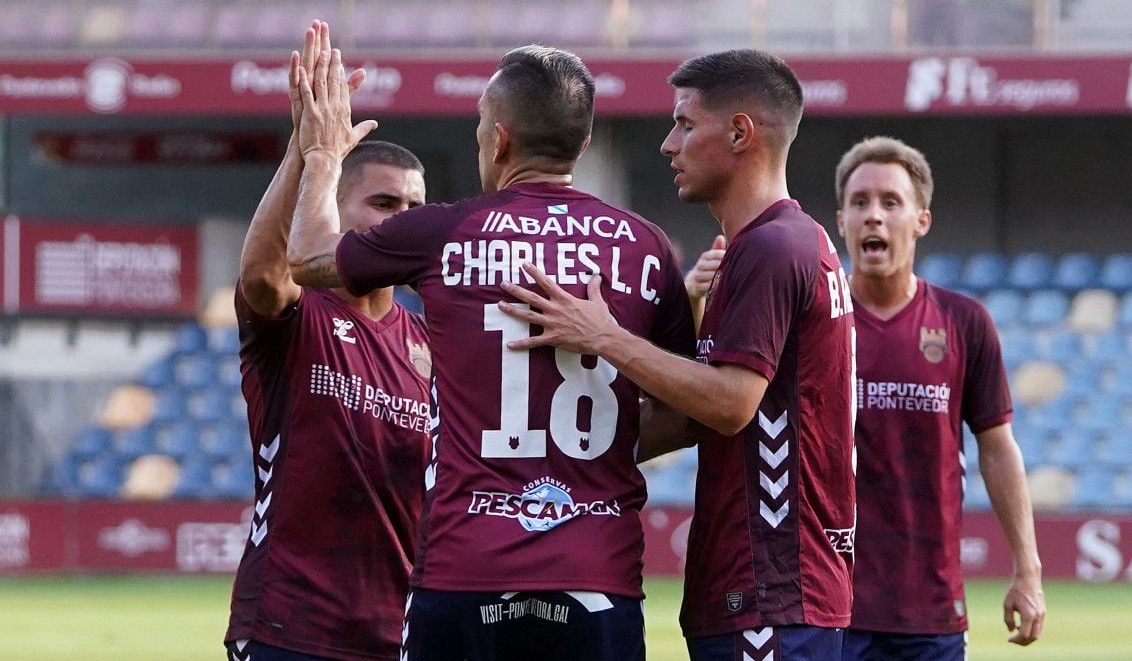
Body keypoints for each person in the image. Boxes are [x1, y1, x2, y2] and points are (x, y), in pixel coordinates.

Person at [286, 36, 694, 661]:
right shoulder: (647, 247)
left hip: (465, 574)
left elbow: (306, 259)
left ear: (498, 138)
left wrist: (320, 156)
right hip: (597, 578)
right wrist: (596, 451)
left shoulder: (446, 231)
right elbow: (683, 413)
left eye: (480, 125)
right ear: (582, 145)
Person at [497, 49, 856, 661]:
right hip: (767, 590)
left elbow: (729, 403)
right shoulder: (790, 242)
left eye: (686, 124)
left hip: (768, 590)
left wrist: (604, 335)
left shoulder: (771, 249)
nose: (668, 144)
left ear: (741, 132)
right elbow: (699, 413)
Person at [225, 21, 432, 661]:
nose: (405, 221)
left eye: (415, 207)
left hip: (402, 633)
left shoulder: (433, 343)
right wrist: (308, 154)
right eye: (384, 204)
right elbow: (262, 276)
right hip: (291, 628)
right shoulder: (300, 315)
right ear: (337, 210)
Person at [836, 136, 1047, 659]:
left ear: (921, 221)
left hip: (930, 608)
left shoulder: (964, 322)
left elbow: (997, 448)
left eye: (891, 202)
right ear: (840, 221)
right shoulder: (815, 319)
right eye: (859, 203)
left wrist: (1028, 569)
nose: (874, 217)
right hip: (829, 605)